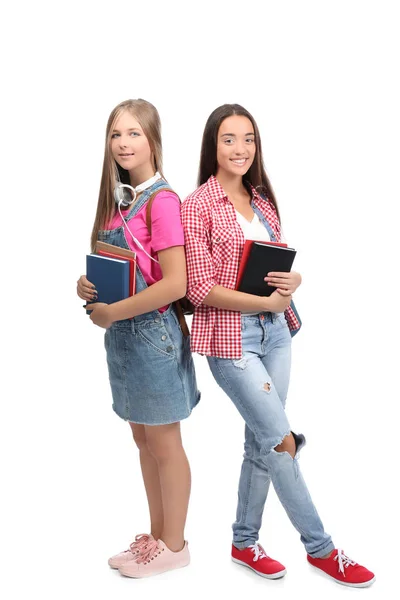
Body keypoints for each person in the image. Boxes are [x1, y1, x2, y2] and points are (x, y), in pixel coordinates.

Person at [181, 103, 374, 587]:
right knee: (281, 439)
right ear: (213, 145)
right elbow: (200, 289)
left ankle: (243, 543)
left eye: (248, 139)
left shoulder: (262, 199)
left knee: (260, 440)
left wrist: (293, 280)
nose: (240, 148)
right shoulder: (197, 205)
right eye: (229, 139)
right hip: (231, 340)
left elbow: (278, 265)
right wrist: (261, 300)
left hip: (277, 333)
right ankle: (322, 549)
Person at [77, 99, 200, 579]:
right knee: (143, 439)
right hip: (124, 338)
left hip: (153, 337)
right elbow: (121, 266)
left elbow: (174, 284)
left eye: (133, 133)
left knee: (165, 442)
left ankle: (176, 544)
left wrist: (111, 312)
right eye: (115, 135)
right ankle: (156, 537)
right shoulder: (119, 198)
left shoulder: (162, 201)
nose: (123, 143)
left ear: (153, 140)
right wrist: (86, 287)